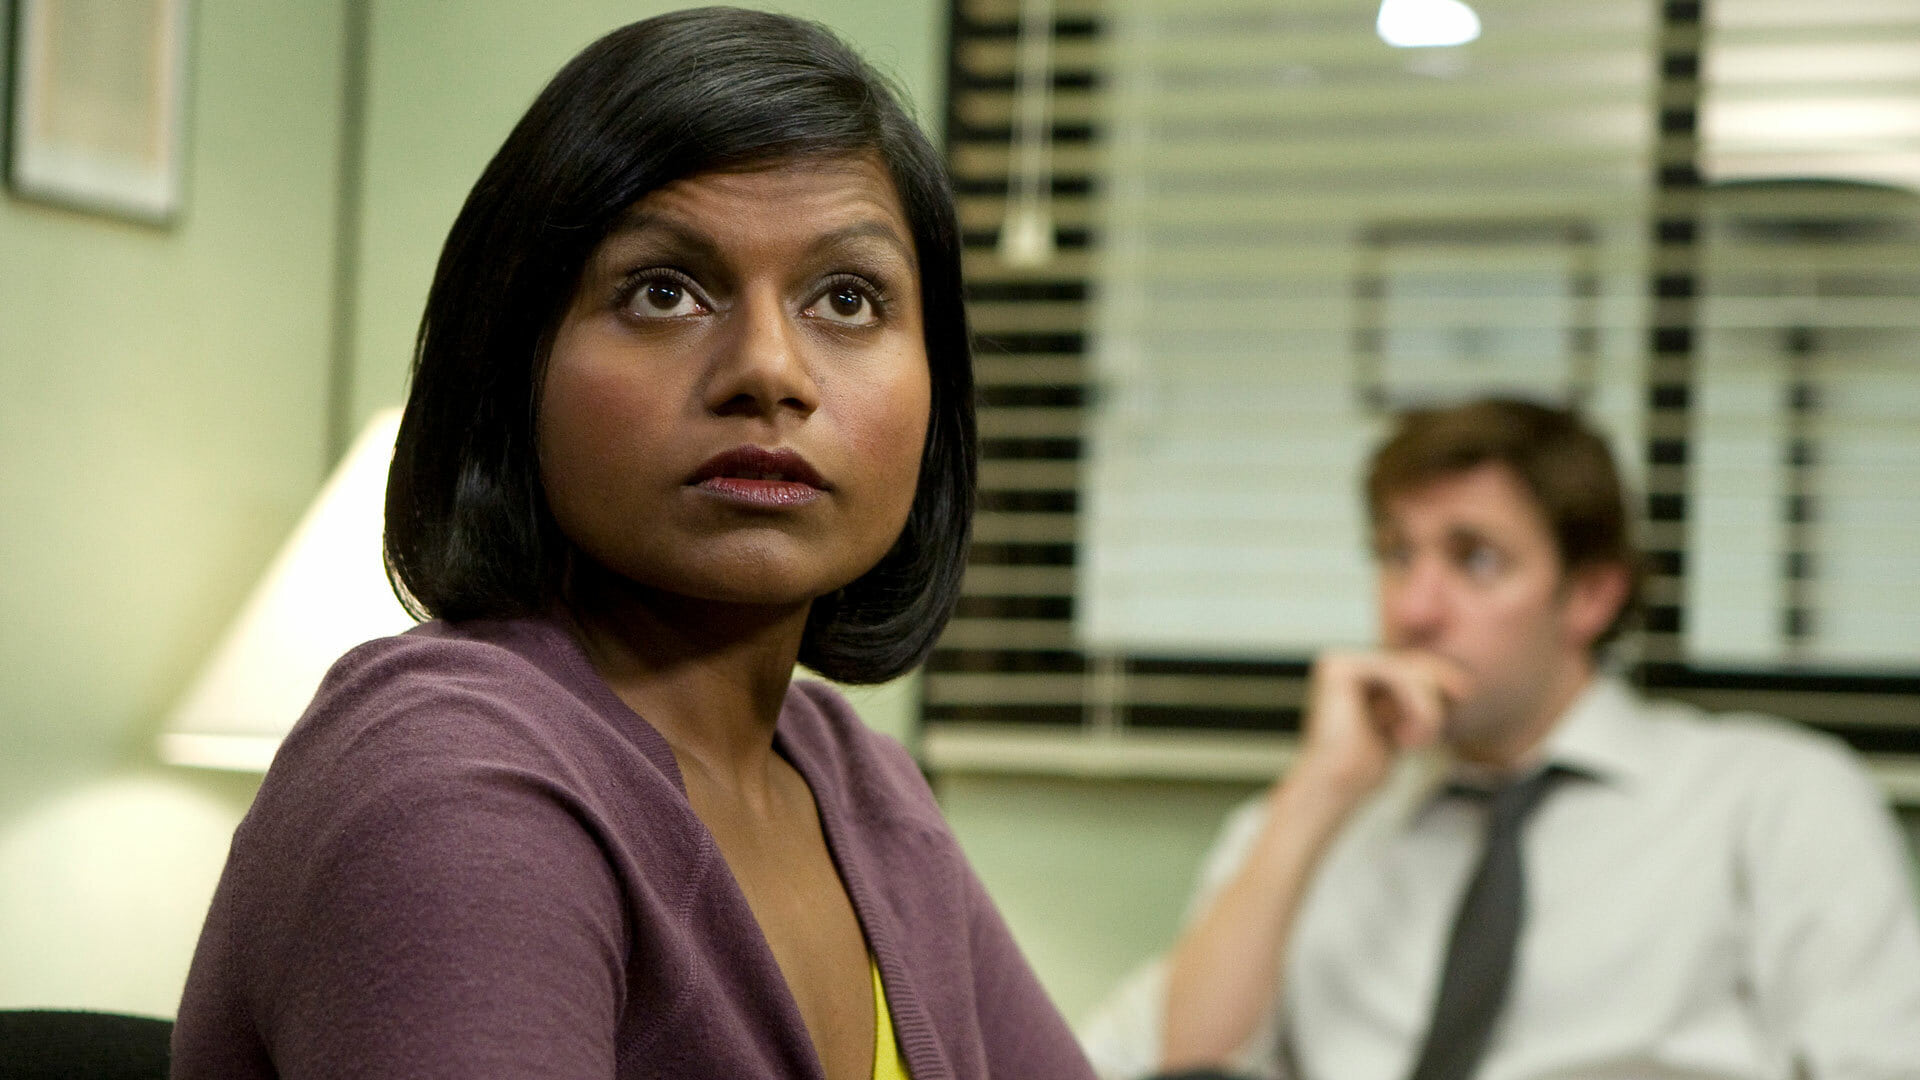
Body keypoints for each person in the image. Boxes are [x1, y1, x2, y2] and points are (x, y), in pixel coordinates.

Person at [171, 10, 1096, 1079]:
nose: (769, 369)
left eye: (847, 299)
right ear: (514, 358)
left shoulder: (862, 788)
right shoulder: (451, 786)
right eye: (665, 292)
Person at [1080, 398, 1920, 1080]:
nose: (1415, 609)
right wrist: (1316, 795)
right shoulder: (1317, 818)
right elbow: (1174, 1068)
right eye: (1396, 555)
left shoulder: (1773, 799)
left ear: (1589, 596)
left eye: (1475, 560)